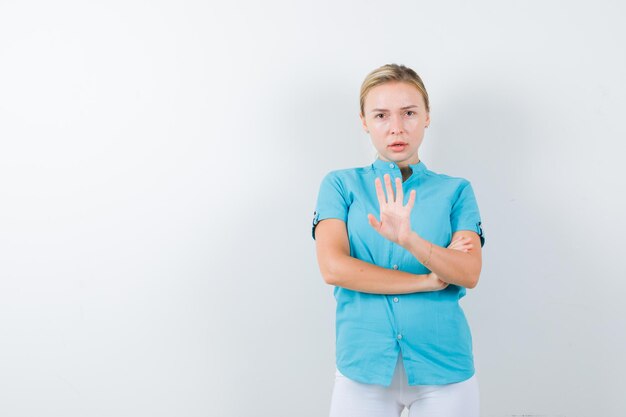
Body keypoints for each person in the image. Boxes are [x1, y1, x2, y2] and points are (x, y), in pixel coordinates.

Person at [311, 63, 485, 417]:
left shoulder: (456, 191)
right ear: (364, 121)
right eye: (380, 115)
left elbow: (467, 273)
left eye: (408, 113)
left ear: (427, 117)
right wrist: (427, 279)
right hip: (362, 368)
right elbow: (334, 268)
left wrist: (411, 241)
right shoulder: (340, 185)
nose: (396, 128)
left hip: (445, 370)